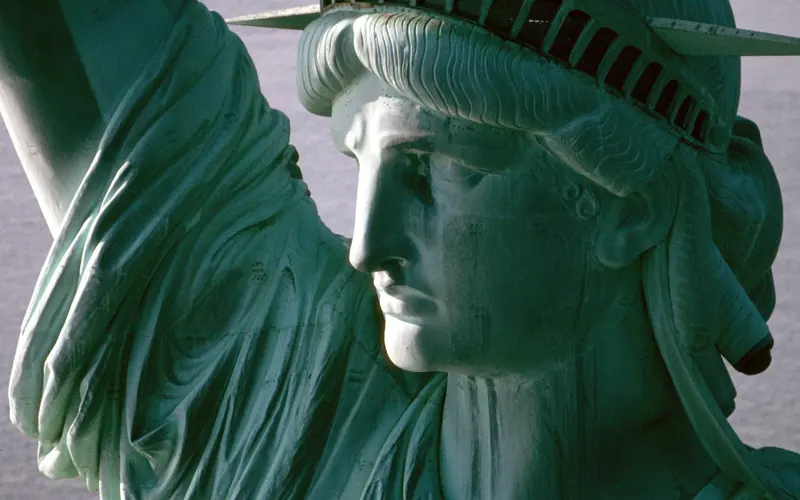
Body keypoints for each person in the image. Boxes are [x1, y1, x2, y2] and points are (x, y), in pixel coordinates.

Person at [2, 0, 799, 498]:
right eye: (362, 162)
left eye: (434, 169)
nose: (369, 246)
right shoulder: (274, 416)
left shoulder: (267, 437)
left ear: (629, 208)